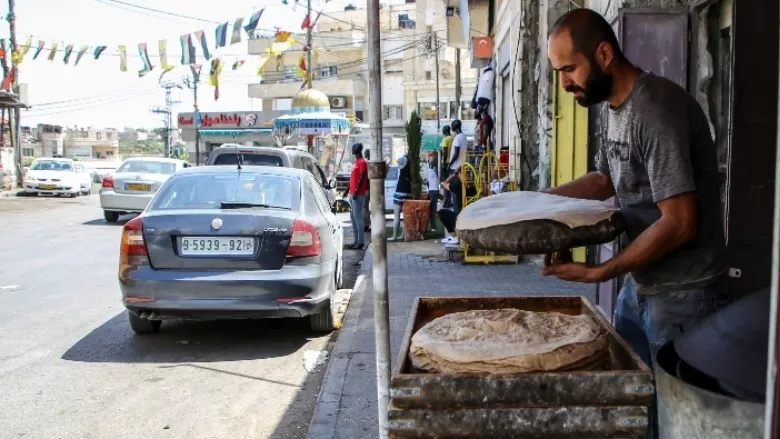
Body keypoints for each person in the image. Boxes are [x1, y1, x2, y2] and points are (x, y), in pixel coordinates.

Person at [544, 9, 726, 438]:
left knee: (679, 424)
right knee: (632, 410)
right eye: (558, 71)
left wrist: (603, 270)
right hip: (639, 289)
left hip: (683, 296)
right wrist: (538, 202)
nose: (565, 82)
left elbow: (680, 222)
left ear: (604, 53)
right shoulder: (612, 106)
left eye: (570, 68)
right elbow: (604, 178)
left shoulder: (655, 109)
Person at [343, 142, 368, 250]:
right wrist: (347, 190)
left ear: (358, 149)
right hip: (352, 193)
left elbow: (362, 176)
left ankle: (361, 241)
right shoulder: (356, 162)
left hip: (358, 193)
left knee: (358, 217)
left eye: (354, 147)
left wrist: (356, 190)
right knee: (352, 216)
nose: (353, 149)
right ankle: (356, 240)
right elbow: (352, 178)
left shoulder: (362, 162)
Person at [390, 155, 412, 241]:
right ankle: (402, 235)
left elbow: (398, 160)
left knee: (396, 217)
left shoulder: (400, 174)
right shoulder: (410, 173)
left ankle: (394, 236)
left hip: (399, 194)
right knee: (405, 217)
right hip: (408, 194)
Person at [447, 119, 468, 209]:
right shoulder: (464, 137)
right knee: (461, 192)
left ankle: (456, 212)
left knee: (454, 192)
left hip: (455, 167)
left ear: (454, 127)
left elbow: (456, 153)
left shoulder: (457, 138)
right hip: (462, 166)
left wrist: (449, 163)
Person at [426, 152, 440, 232]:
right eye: (431, 158)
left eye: (433, 158)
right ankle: (433, 226)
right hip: (432, 190)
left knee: (433, 209)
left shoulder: (433, 168)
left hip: (434, 190)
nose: (432, 159)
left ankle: (432, 226)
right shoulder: (431, 168)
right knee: (432, 209)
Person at [440, 126, 454, 207]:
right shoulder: (453, 138)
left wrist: (443, 163)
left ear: (445, 131)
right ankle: (450, 200)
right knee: (450, 182)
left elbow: (444, 152)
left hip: (446, 163)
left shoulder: (445, 140)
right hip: (452, 163)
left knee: (445, 182)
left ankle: (447, 200)